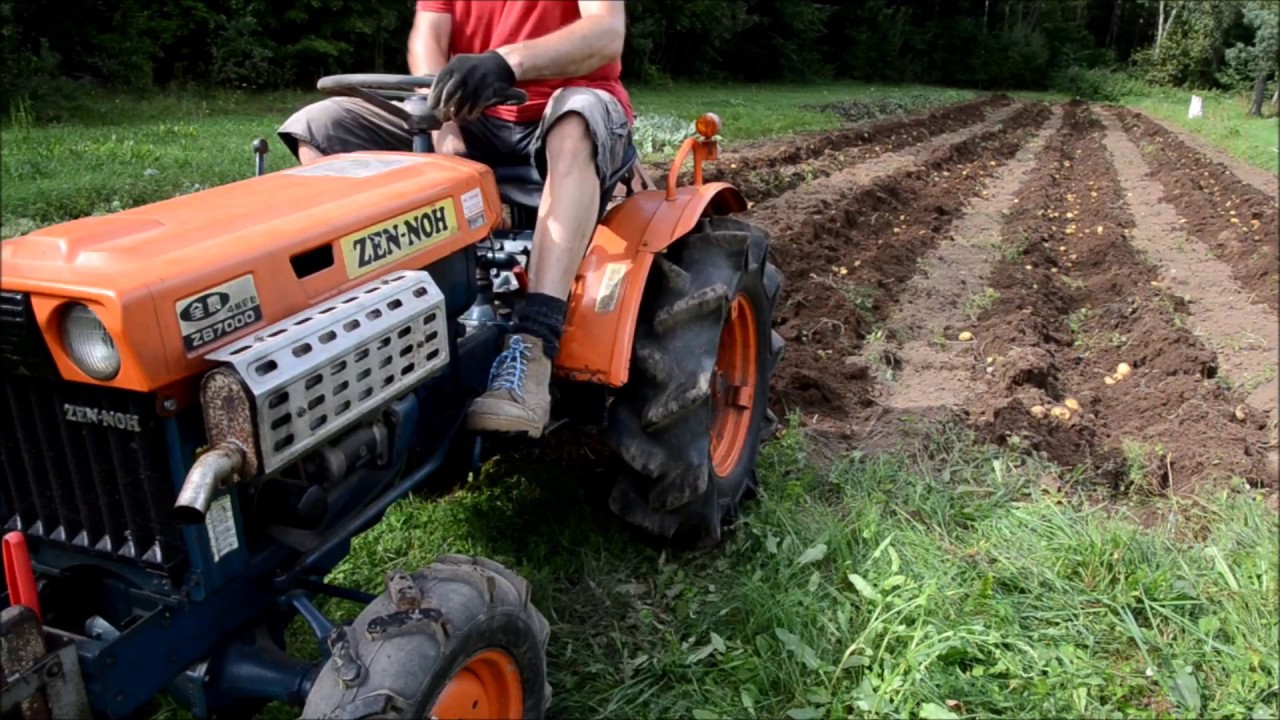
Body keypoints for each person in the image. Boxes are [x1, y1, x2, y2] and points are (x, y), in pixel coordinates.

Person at [277, 1, 633, 439]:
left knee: (575, 116)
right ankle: (357, 324)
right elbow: (428, 38)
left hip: (567, 109)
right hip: (473, 117)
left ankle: (533, 347)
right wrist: (443, 123)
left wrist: (506, 62)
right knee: (320, 125)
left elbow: (605, 32)